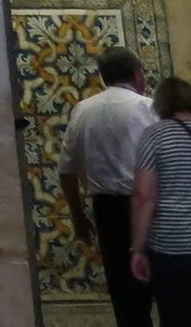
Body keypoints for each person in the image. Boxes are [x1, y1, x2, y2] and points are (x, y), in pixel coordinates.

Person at [65, 48, 157, 327]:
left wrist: (78, 214)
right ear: (138, 74)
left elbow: (66, 171)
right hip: (150, 208)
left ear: (104, 77)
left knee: (123, 288)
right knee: (166, 282)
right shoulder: (148, 108)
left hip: (106, 210)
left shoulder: (82, 110)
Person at [132, 75, 191, 323]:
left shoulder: (154, 135)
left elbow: (144, 196)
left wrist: (138, 249)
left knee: (175, 315)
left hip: (170, 246)